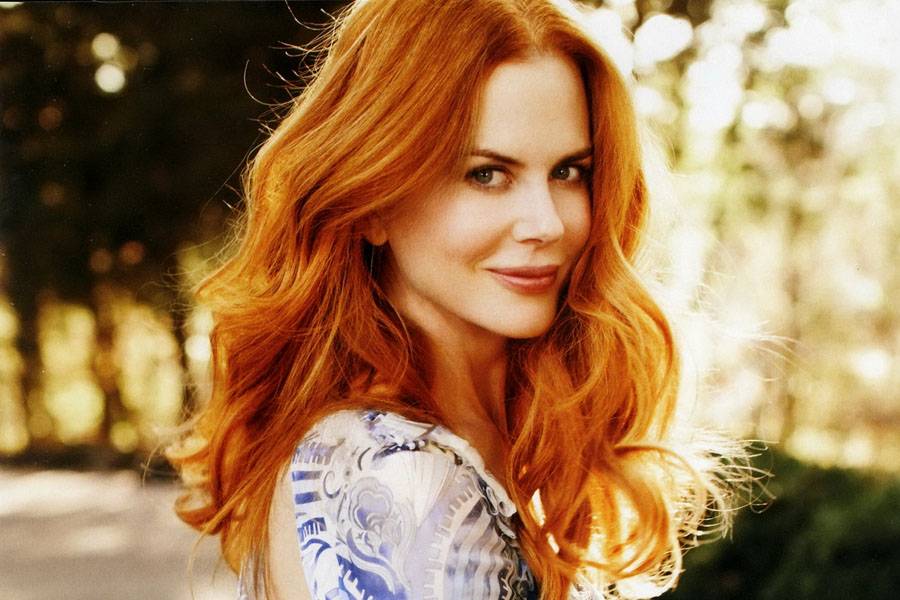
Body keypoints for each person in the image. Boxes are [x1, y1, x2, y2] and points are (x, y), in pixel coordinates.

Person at [167, 0, 743, 598]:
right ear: (372, 202)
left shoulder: (488, 444)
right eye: (486, 174)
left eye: (569, 172)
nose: (546, 223)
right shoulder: (394, 476)